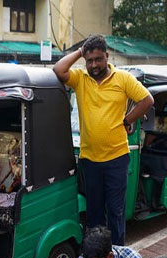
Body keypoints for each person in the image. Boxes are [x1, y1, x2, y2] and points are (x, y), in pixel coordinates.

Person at [53, 35, 154, 245]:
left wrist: (128, 119)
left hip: (116, 159)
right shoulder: (81, 79)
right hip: (89, 160)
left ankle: (116, 256)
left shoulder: (123, 78)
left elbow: (147, 100)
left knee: (116, 213)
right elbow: (58, 70)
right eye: (89, 60)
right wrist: (81, 51)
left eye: (98, 59)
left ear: (107, 56)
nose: (94, 65)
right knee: (94, 214)